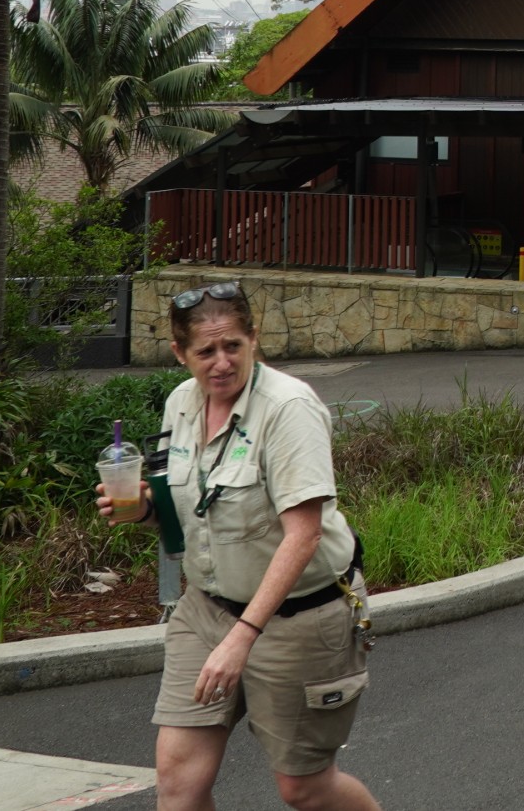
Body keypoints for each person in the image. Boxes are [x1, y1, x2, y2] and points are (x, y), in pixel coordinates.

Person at [98, 281, 379, 811]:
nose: (221, 363)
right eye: (205, 351)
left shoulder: (287, 408)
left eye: (233, 346)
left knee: (305, 788)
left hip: (299, 616)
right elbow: (193, 509)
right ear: (181, 354)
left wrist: (241, 638)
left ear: (254, 339)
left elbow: (305, 533)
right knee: (179, 786)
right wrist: (143, 509)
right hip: (207, 609)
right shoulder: (181, 404)